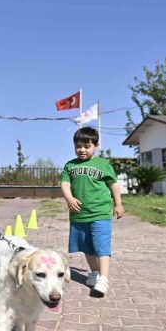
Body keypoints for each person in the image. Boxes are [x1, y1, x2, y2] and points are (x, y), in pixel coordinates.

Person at [60, 126, 124, 297]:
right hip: (79, 214)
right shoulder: (70, 165)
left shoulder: (103, 164)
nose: (82, 150)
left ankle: (104, 278)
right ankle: (95, 272)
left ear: (96, 145)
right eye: (78, 146)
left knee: (101, 245)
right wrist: (69, 198)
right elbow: (65, 184)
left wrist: (118, 204)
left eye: (86, 146)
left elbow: (113, 185)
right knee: (86, 246)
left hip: (100, 213)